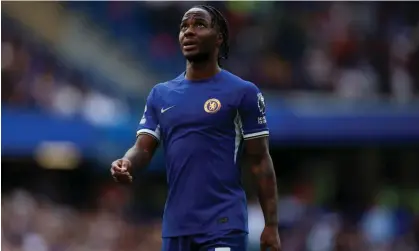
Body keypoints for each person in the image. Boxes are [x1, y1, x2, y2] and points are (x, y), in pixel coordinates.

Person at [111, 5, 281, 251]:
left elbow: (260, 161)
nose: (188, 32)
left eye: (199, 25)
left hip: (224, 224)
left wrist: (271, 225)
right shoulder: (161, 94)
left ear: (219, 37)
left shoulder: (242, 92)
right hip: (177, 228)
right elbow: (143, 148)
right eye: (184, 27)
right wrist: (126, 162)